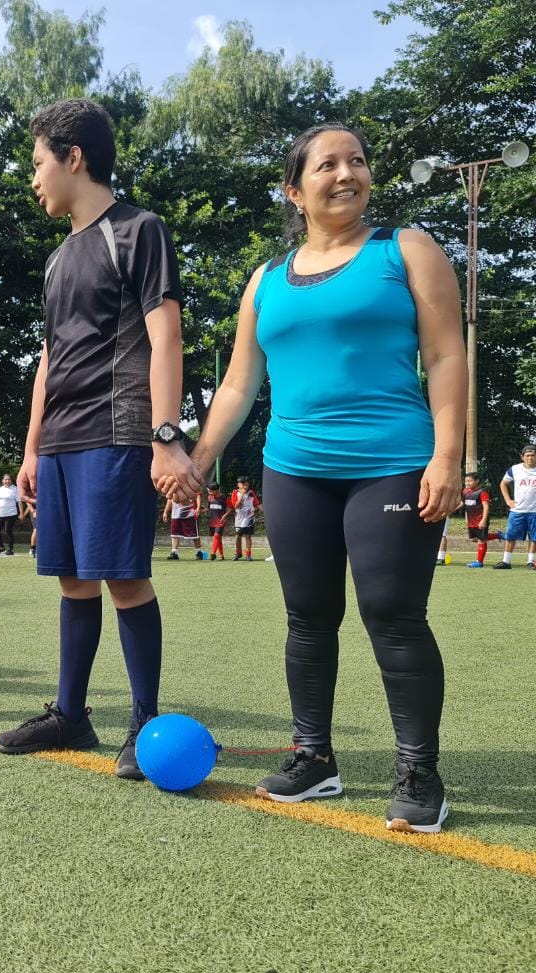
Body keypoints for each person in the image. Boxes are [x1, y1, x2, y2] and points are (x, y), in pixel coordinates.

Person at [169, 123, 465, 833]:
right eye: (328, 164)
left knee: (393, 615)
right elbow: (239, 384)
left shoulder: (406, 249)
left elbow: (447, 355)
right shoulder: (266, 280)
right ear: (294, 189)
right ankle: (314, 758)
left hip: (392, 461)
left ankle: (419, 770)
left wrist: (449, 455)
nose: (347, 174)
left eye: (357, 161)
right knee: (308, 618)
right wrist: (198, 459)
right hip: (293, 468)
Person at [0, 99, 198, 777]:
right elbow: (49, 360)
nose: (33, 180)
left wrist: (165, 437)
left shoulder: (138, 230)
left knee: (124, 579)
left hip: (117, 429)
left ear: (73, 156)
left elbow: (165, 336)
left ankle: (144, 722)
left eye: (37, 164)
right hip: (59, 440)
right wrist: (29, 449)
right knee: (73, 581)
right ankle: (71, 716)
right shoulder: (56, 262)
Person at [493, 445, 536, 570]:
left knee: (534, 537)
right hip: (517, 510)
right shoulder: (515, 469)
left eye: (533, 455)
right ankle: (506, 561)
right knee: (511, 535)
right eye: (527, 456)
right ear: (522, 457)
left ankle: (531, 562)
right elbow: (503, 483)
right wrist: (508, 500)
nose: (530, 458)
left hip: (534, 511)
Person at [458, 472, 497, 568]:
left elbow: (486, 507)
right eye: (466, 481)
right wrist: (452, 509)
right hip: (471, 520)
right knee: (474, 539)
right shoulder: (465, 491)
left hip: (480, 519)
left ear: (477, 481)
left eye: (470, 481)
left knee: (481, 540)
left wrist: (483, 520)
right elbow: (462, 503)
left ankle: (479, 562)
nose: (467, 483)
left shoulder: (482, 492)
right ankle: (497, 535)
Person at [0, 474, 22, 556]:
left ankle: (10, 549)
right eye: (5, 479)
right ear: (2, 480)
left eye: (9, 479)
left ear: (11, 480)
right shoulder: (0, 489)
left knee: (8, 531)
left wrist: (22, 513)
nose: (7, 481)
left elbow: (19, 502)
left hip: (11, 514)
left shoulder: (15, 489)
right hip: (0, 514)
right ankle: (1, 547)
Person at [229, 477, 261, 560]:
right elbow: (236, 506)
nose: (245, 486)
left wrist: (265, 511)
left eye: (246, 484)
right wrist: (242, 495)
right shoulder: (235, 493)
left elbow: (257, 504)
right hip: (239, 519)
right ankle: (238, 553)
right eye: (243, 484)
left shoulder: (251, 493)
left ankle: (248, 555)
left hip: (249, 517)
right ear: (238, 485)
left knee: (248, 536)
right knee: (237, 537)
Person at [163, 492, 202, 560]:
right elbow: (170, 499)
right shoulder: (172, 485)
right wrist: (165, 512)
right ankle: (174, 553)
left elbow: (198, 496)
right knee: (175, 534)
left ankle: (199, 552)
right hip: (176, 513)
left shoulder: (191, 483)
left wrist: (198, 508)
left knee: (194, 534)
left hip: (190, 512)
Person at [206, 482, 230, 560]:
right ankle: (221, 555)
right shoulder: (209, 497)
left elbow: (230, 508)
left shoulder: (224, 498)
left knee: (216, 536)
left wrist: (225, 516)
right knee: (218, 538)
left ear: (217, 490)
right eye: (208, 491)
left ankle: (213, 553)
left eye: (211, 491)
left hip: (220, 520)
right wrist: (200, 510)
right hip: (212, 519)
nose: (209, 493)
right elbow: (208, 508)